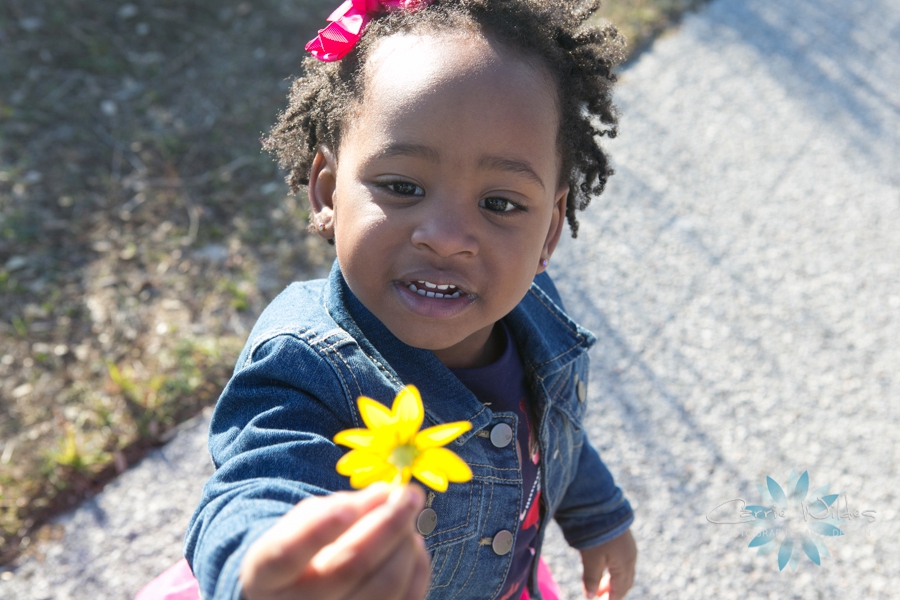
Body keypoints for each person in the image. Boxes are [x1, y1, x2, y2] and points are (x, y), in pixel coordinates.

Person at [138, 1, 638, 599]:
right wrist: (271, 567)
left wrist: (598, 516)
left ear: (549, 231)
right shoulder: (305, 363)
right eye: (403, 187)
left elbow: (554, 429)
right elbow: (259, 480)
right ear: (326, 191)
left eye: (500, 203)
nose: (448, 237)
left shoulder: (534, 310)